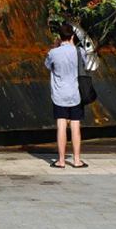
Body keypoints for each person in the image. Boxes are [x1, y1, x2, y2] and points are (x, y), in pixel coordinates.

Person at [44, 21, 87, 169]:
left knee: (61, 125)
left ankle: (61, 160)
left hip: (59, 94)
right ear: (73, 36)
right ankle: (76, 160)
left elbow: (48, 65)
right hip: (75, 93)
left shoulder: (53, 53)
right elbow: (86, 64)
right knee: (76, 126)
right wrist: (74, 47)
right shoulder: (79, 51)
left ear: (59, 37)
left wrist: (56, 47)